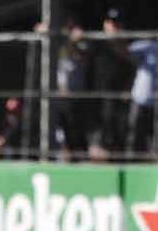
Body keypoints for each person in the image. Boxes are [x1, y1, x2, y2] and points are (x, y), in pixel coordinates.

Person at [89, 11, 133, 155]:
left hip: (119, 96)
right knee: (99, 124)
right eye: (109, 23)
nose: (112, 27)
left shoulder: (126, 47)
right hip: (96, 94)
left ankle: (115, 152)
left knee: (117, 125)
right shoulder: (97, 43)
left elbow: (132, 68)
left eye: (116, 24)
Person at [53, 21, 92, 159]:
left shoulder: (83, 45)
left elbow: (85, 54)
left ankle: (80, 158)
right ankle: (65, 155)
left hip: (76, 97)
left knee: (77, 132)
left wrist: (75, 41)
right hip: (60, 97)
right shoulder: (57, 45)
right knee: (62, 131)